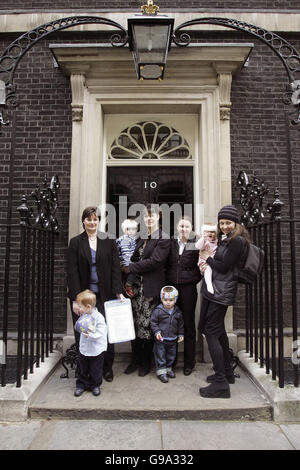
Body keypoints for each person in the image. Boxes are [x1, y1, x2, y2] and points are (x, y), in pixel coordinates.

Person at [198, 205, 249, 399]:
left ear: (235, 223)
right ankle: (227, 373)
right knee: (216, 329)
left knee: (210, 332)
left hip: (221, 292)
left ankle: (221, 384)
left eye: (228, 223)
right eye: (222, 223)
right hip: (216, 291)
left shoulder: (237, 242)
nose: (225, 226)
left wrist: (206, 258)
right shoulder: (228, 240)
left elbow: (225, 266)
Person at [67, 206, 123, 383]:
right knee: (83, 333)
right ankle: (83, 371)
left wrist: (118, 292)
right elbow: (72, 271)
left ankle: (106, 368)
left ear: (99, 221)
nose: (92, 222)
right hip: (83, 297)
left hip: (105, 295)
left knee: (105, 332)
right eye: (88, 219)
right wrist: (76, 299)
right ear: (83, 221)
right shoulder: (75, 242)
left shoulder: (108, 240)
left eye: (95, 219)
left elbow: (116, 268)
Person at [124, 204, 170, 377]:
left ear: (159, 217)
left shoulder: (163, 238)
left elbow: (155, 261)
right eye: (146, 216)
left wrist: (131, 267)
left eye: (152, 215)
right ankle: (134, 360)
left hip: (150, 289)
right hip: (135, 290)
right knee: (134, 324)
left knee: (147, 326)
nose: (149, 218)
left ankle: (145, 362)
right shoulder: (141, 237)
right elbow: (133, 256)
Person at [166, 216, 202, 375]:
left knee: (188, 325)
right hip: (172, 288)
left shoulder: (197, 243)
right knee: (172, 324)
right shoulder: (171, 242)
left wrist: (191, 278)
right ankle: (171, 362)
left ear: (191, 227)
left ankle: (189, 363)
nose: (183, 229)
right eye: (181, 226)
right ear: (177, 227)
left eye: (186, 226)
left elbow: (203, 265)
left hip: (188, 288)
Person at [73, 290, 107, 397]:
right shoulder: (83, 314)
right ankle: (81, 384)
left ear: (88, 306)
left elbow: (101, 332)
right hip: (84, 348)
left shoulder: (99, 317)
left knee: (95, 369)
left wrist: (90, 335)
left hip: (96, 349)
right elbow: (78, 324)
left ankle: (95, 385)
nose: (79, 308)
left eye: (80, 306)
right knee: (83, 367)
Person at [150, 286, 184, 383]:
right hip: (161, 339)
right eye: (165, 300)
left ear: (175, 300)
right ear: (161, 299)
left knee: (171, 355)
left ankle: (169, 368)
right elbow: (153, 322)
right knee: (160, 355)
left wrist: (181, 334)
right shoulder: (158, 310)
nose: (168, 302)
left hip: (173, 339)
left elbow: (181, 324)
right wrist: (157, 332)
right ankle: (161, 372)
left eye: (171, 300)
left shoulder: (177, 312)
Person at [116, 218, 138, 298]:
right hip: (126, 262)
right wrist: (128, 265)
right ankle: (128, 284)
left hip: (130, 261)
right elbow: (126, 253)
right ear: (125, 230)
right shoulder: (125, 239)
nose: (132, 231)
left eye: (134, 229)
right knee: (134, 270)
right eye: (129, 229)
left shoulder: (133, 238)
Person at [195, 224, 218, 294]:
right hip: (204, 262)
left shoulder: (217, 241)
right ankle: (209, 284)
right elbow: (197, 246)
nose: (210, 233)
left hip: (213, 261)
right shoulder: (204, 242)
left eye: (212, 232)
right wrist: (203, 238)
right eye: (207, 232)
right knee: (207, 269)